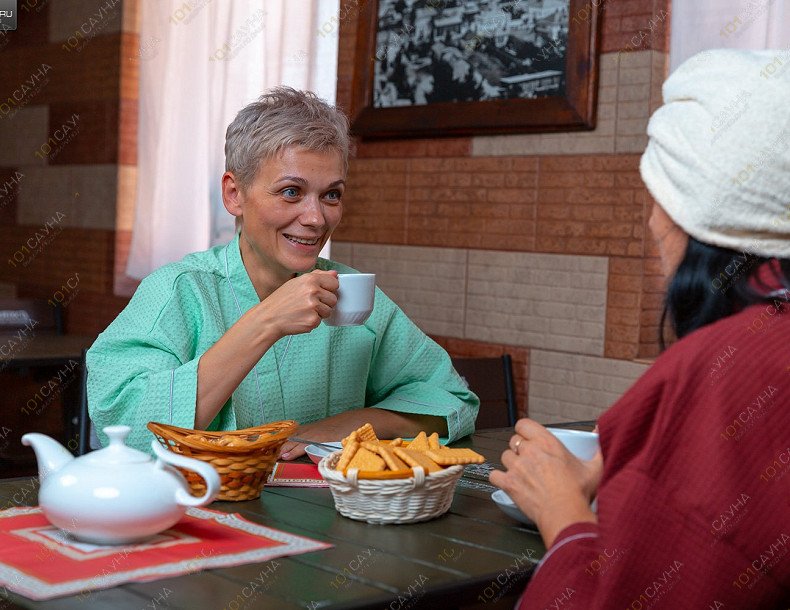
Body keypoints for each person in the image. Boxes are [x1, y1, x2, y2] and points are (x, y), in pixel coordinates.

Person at [490, 50, 790, 608]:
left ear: (695, 212)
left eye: (657, 198)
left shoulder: (736, 367)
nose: (651, 223)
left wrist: (561, 510)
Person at [87, 87, 478, 457]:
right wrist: (267, 321)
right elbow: (126, 430)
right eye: (291, 191)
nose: (316, 218)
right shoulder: (178, 291)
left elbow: (452, 400)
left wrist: (347, 425)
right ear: (234, 194)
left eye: (331, 195)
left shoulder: (351, 294)